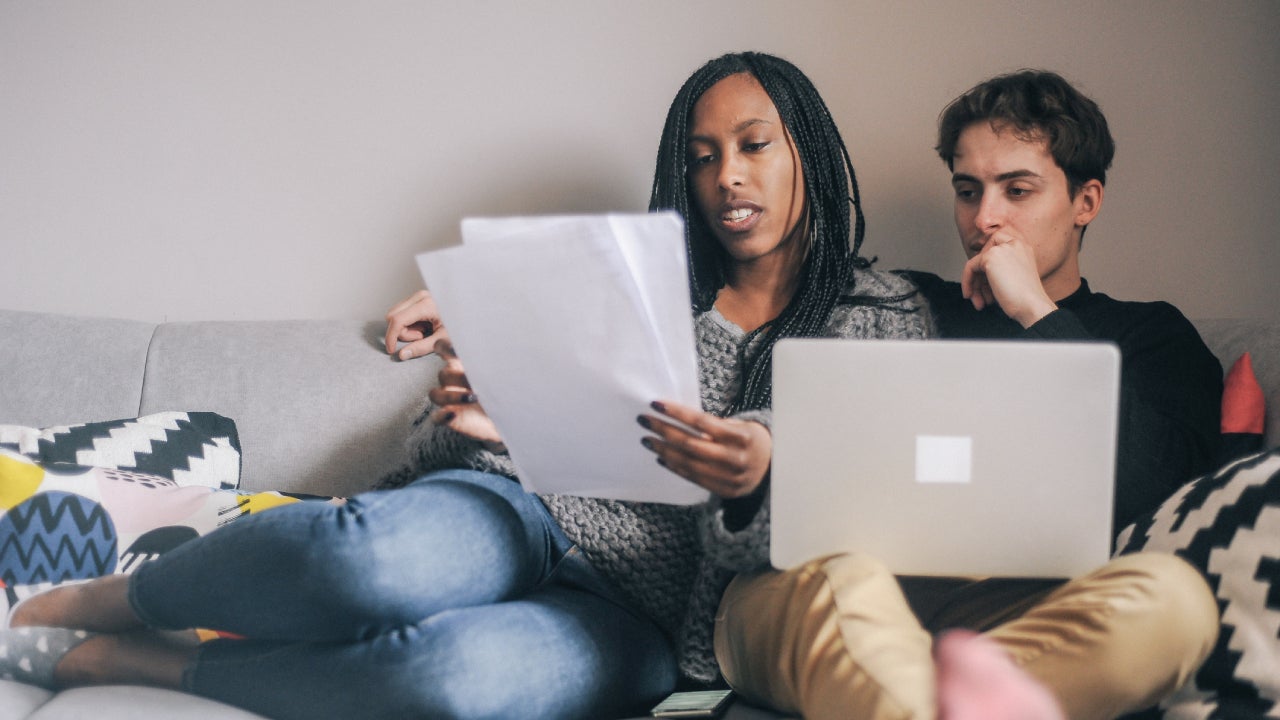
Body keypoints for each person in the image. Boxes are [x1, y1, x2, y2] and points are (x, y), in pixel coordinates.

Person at [0, 52, 931, 720]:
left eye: (754, 144)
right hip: (519, 511)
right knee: (369, 561)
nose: (726, 175)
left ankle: (167, 673)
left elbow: (853, 500)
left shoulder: (885, 315)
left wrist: (759, 469)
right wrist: (482, 416)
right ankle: (119, 597)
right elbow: (433, 442)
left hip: (638, 618)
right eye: (701, 154)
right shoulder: (623, 282)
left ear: (806, 146)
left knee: (448, 684)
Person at [708, 70, 1222, 720]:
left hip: (1009, 609)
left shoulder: (1147, 335)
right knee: (850, 583)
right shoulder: (891, 302)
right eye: (967, 191)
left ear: (1086, 201)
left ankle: (923, 699)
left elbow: (1159, 489)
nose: (984, 220)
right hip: (822, 591)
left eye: (1018, 190)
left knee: (1176, 599)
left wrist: (1035, 309)